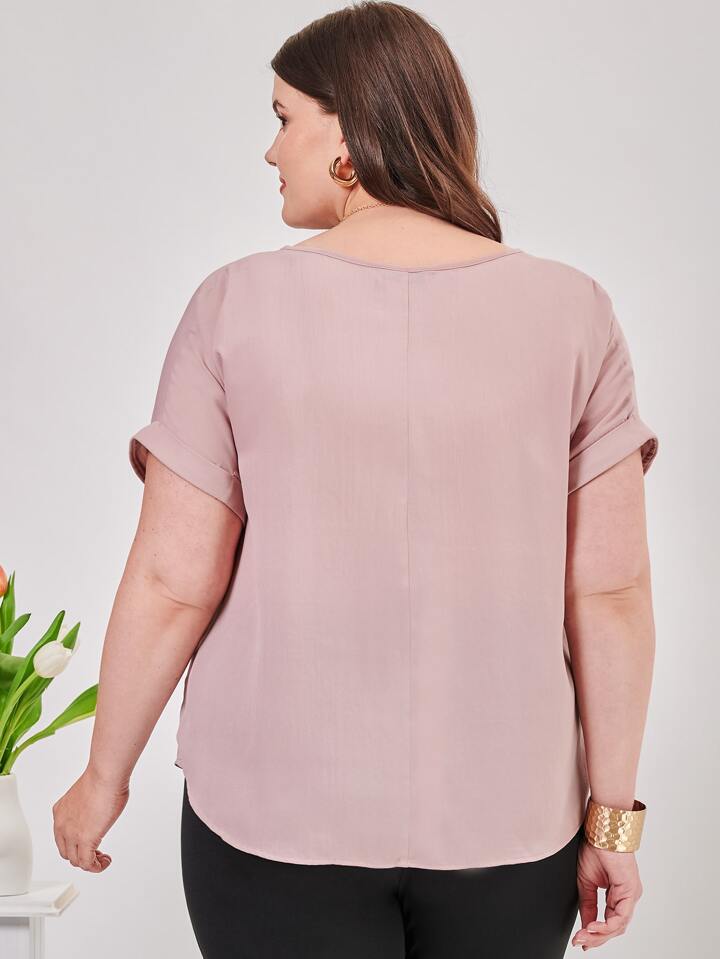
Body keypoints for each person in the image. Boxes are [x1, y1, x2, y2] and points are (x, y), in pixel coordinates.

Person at [51, 2, 659, 956]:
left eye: (283, 117)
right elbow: (611, 592)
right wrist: (613, 821)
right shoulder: (575, 311)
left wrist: (103, 776)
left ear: (348, 129)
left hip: (272, 817)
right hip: (511, 825)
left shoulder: (233, 304)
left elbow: (174, 579)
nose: (270, 149)